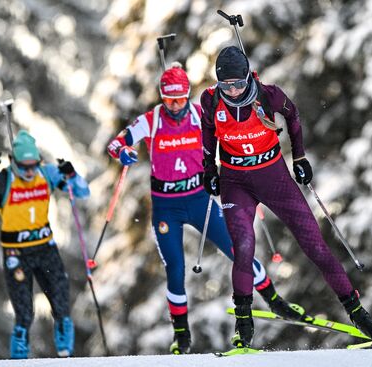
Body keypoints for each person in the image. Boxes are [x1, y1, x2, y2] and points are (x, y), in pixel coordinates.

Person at [200, 46, 372, 348]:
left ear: (248, 77)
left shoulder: (268, 95)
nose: (233, 91)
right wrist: (208, 167)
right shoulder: (210, 100)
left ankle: (358, 313)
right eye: (226, 85)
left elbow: (293, 116)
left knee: (314, 245)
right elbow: (208, 131)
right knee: (244, 246)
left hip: (274, 178)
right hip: (235, 181)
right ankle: (244, 325)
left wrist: (299, 158)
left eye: (238, 83)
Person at [107, 63, 303, 354]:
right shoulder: (152, 119)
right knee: (175, 268)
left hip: (200, 201)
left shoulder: (200, 114)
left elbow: (228, 131)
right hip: (167, 207)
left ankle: (275, 301)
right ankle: (182, 334)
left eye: (180, 98)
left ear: (187, 95)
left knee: (239, 249)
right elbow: (115, 144)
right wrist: (123, 152)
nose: (175, 105)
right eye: (169, 99)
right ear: (162, 96)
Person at [0, 130, 90, 359]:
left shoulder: (46, 173)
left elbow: (82, 191)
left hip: (45, 248)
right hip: (16, 254)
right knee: (24, 313)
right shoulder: (3, 179)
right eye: (24, 167)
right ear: (13, 162)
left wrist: (71, 174)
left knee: (61, 302)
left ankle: (66, 352)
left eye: (34, 165)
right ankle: (19, 357)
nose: (30, 172)